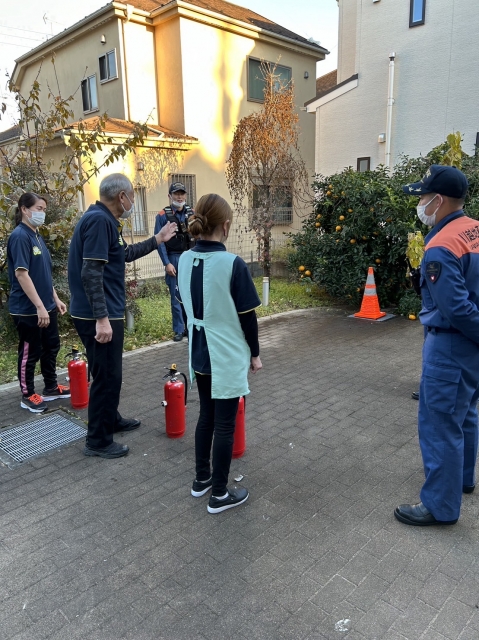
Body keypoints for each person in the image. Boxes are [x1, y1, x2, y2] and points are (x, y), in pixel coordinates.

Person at [68, 173, 177, 459]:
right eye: (132, 195)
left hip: (100, 311)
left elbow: (124, 253)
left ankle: (110, 419)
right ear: (122, 197)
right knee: (107, 377)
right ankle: (98, 441)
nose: (132, 201)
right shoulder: (99, 221)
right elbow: (91, 272)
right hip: (98, 314)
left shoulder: (104, 220)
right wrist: (102, 319)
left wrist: (157, 239)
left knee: (107, 373)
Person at [394, 164, 478, 526]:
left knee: (440, 424)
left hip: (451, 347)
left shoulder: (441, 246)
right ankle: (463, 479)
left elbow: (456, 308)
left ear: (439, 200)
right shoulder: (473, 230)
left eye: (424, 197)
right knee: (466, 413)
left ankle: (441, 506)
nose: (421, 204)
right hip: (471, 350)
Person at [177, 193, 262, 514]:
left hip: (198, 351)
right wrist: (255, 354)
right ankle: (220, 494)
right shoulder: (232, 264)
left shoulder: (183, 259)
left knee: (206, 417)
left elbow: (185, 304)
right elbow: (248, 317)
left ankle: (202, 479)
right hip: (224, 354)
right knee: (225, 425)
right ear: (225, 226)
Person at [7, 193, 70, 413]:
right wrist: (39, 306)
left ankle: (51, 387)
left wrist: (54, 299)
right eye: (39, 209)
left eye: (44, 209)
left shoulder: (37, 236)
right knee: (30, 352)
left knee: (51, 346)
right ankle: (28, 395)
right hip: (28, 309)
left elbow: (43, 274)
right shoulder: (19, 236)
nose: (43, 213)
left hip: (46, 306)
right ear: (24, 209)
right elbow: (22, 274)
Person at [154, 182, 194, 342]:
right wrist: (166, 263)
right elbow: (159, 242)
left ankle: (190, 327)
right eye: (176, 194)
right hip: (173, 258)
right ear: (169, 196)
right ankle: (179, 329)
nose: (179, 197)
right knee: (176, 296)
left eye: (182, 193)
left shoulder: (192, 213)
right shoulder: (162, 215)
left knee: (190, 295)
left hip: (190, 257)